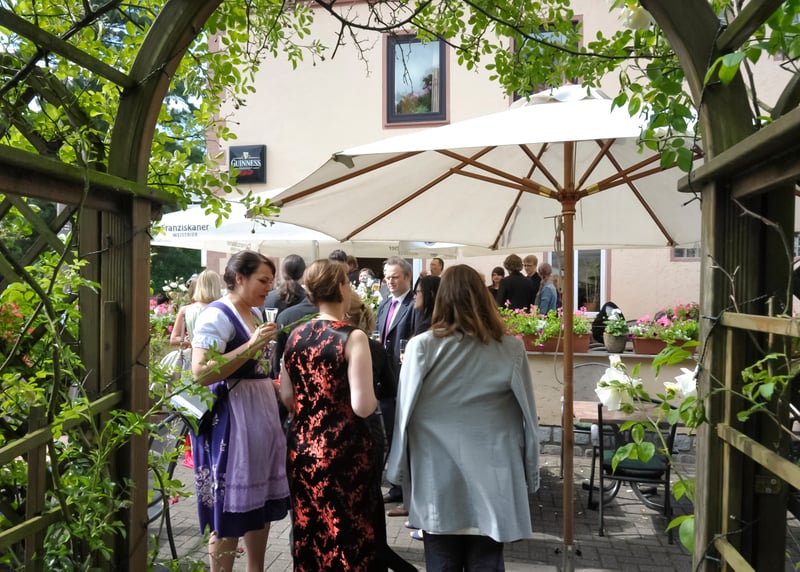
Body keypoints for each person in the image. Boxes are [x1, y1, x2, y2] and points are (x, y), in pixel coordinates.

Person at [386, 264, 540, 569]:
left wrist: (398, 471)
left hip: (437, 476)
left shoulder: (421, 346)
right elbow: (529, 418)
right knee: (486, 561)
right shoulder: (510, 348)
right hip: (494, 476)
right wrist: (530, 472)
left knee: (441, 561)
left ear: (441, 299)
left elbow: (403, 416)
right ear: (484, 298)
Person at [189, 250, 290, 572]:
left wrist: (273, 385)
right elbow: (201, 373)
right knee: (229, 509)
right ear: (239, 278)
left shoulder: (255, 314)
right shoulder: (217, 315)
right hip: (232, 420)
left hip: (260, 413)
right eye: (263, 280)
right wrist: (252, 346)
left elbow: (254, 370)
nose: (269, 287)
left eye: (271, 281)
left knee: (258, 504)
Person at [280, 259, 378, 569]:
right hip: (343, 452)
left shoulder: (296, 335)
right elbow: (363, 406)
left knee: (308, 534)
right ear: (340, 287)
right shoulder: (353, 337)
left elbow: (286, 396)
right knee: (347, 535)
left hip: (301, 449)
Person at [346, 296, 417, 572]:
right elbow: (389, 390)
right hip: (367, 430)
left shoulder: (320, 342)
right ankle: (375, 552)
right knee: (369, 495)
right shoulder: (373, 348)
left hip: (330, 432)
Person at [376, 257, 416, 510]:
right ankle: (396, 487)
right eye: (387, 277)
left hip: (404, 378)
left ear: (407, 277)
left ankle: (404, 489)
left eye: (395, 277)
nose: (390, 281)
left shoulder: (414, 306)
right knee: (390, 433)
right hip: (385, 380)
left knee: (403, 435)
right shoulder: (384, 304)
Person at [170, 270, 223, 348]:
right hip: (218, 354)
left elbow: (173, 339)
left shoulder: (186, 310)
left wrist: (190, 341)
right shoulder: (222, 310)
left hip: (194, 353)